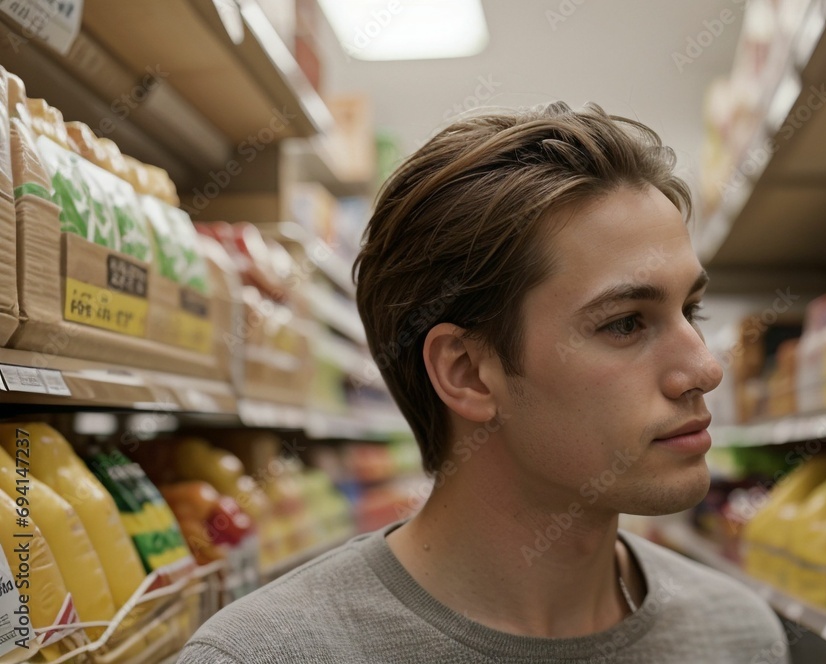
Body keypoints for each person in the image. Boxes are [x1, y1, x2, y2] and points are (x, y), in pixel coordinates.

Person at [178, 102, 789, 663]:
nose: (706, 369)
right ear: (467, 372)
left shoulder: (738, 637)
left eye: (692, 312)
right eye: (626, 323)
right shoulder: (262, 655)